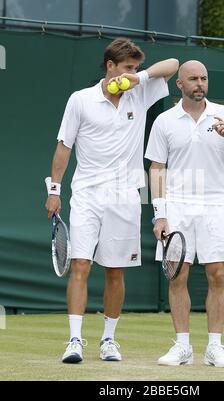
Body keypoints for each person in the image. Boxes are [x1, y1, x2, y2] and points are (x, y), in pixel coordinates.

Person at [45, 37, 179, 364]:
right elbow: (65, 146)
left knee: (115, 271)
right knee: (80, 264)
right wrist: (54, 190)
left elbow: (173, 65)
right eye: (127, 67)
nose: (132, 72)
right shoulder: (80, 100)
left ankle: (109, 340)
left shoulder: (140, 90)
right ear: (110, 66)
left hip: (125, 197)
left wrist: (140, 77)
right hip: (87, 194)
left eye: (135, 67)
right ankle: (75, 340)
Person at [145, 60, 224, 368]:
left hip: (215, 206)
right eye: (193, 78)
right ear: (179, 84)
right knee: (177, 275)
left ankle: (215, 348)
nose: (199, 83)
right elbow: (157, 168)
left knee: (218, 274)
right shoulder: (165, 121)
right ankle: (182, 347)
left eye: (204, 78)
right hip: (177, 206)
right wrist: (160, 215)